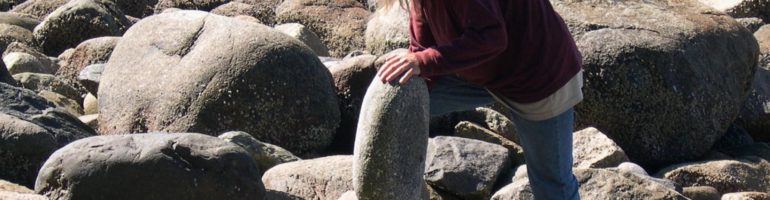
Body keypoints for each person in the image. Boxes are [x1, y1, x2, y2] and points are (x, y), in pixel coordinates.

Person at [377, 0, 584, 199]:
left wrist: (423, 62)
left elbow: (491, 37)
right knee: (402, 101)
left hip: (538, 76)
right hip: (486, 72)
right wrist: (417, 71)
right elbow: (422, 31)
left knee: (551, 184)